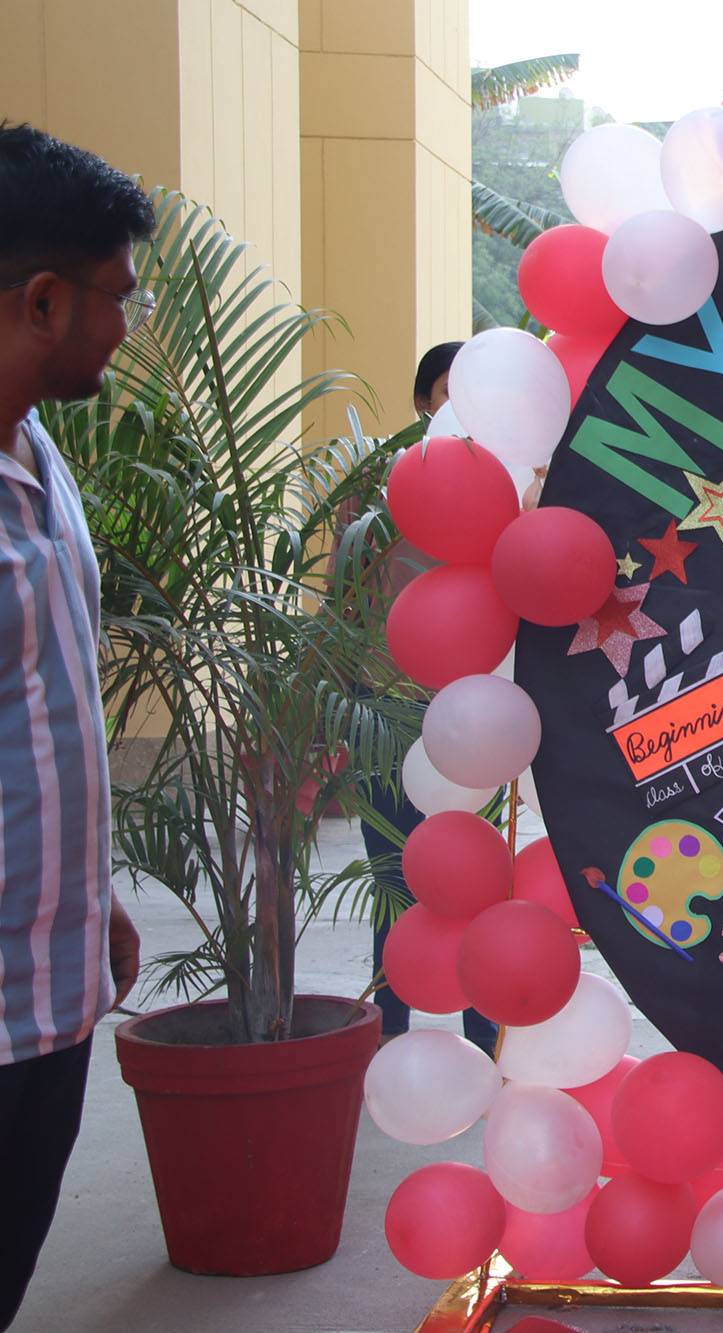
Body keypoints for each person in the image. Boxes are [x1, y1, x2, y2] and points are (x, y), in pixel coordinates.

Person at [0, 123, 152, 1330]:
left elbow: (41, 704)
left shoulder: (40, 455)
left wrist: (89, 895)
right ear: (44, 299)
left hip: (47, 990)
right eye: (119, 298)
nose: (125, 329)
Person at [355, 347, 497, 1056]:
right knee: (393, 875)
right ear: (420, 402)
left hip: (475, 717)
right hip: (386, 707)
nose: (461, 403)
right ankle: (389, 1029)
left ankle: (488, 1029)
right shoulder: (376, 484)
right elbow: (345, 600)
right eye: (447, 390)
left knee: (476, 877)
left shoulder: (505, 478)